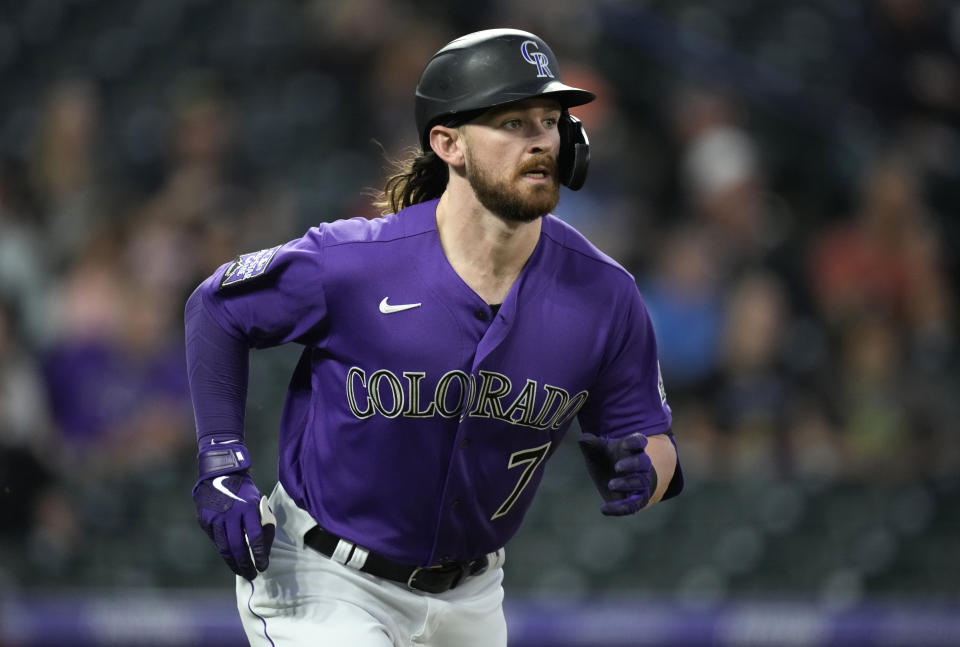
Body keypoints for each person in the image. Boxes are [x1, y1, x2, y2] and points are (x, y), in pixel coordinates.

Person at [185, 28, 683, 646]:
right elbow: (216, 307)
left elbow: (651, 442)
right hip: (322, 580)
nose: (541, 142)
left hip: (472, 601)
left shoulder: (606, 294)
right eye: (512, 122)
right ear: (448, 143)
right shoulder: (355, 261)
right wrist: (220, 461)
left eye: (550, 122)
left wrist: (648, 473)